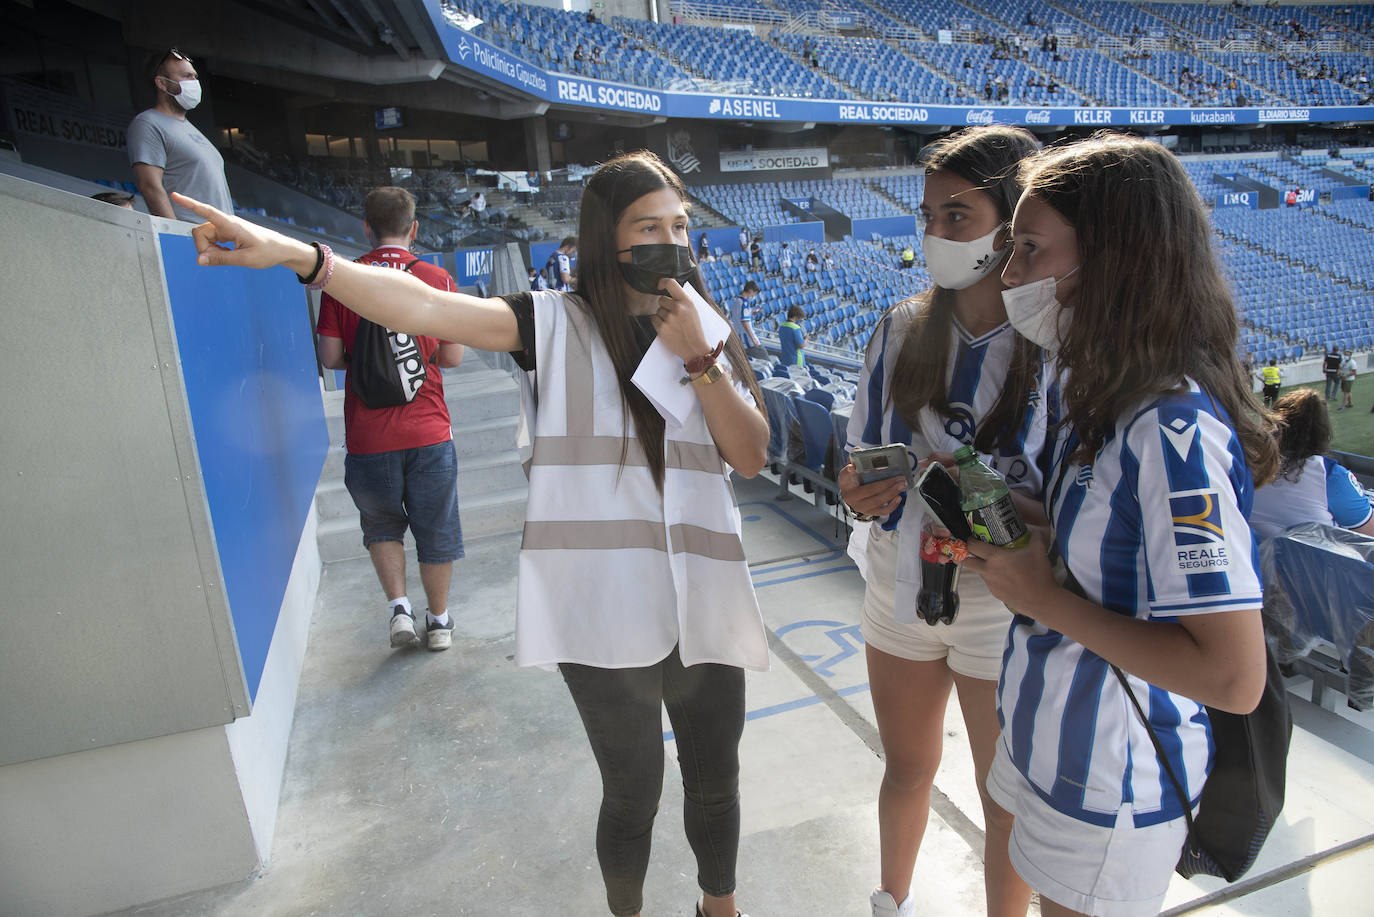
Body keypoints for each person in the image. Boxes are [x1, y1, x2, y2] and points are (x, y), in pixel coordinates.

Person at [171, 149, 769, 917]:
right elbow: (421, 307)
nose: (671, 240)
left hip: (704, 599)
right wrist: (303, 258)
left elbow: (750, 455)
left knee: (717, 779)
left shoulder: (704, 328)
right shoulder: (550, 324)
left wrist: (701, 359)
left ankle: (721, 907)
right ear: (606, 237)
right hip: (602, 609)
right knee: (634, 792)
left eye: (679, 225)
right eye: (648, 226)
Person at [964, 133, 1276, 917]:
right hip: (1042, 735)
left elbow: (1234, 677)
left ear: (1112, 259)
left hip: (1110, 779)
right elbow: (1106, 548)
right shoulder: (1098, 389)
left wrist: (1041, 596)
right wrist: (1003, 518)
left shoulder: (1172, 431)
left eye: (1030, 249)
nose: (1010, 275)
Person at [840, 125, 1042, 917]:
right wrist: (859, 491)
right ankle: (890, 900)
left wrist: (979, 494)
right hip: (900, 584)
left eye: (957, 215)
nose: (936, 234)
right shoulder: (899, 326)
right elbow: (859, 460)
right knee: (905, 768)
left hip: (1002, 601)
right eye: (928, 216)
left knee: (1004, 800)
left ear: (1010, 222)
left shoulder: (1051, 344)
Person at [314, 187, 466, 650]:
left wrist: (368, 362)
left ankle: (400, 610)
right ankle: (439, 622)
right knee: (436, 526)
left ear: (366, 227)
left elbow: (330, 357)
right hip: (429, 431)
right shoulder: (436, 278)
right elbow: (453, 356)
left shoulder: (342, 279)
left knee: (381, 526)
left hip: (367, 436)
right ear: (413, 228)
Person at [1249, 388, 1374, 539]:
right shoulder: (1330, 476)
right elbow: (1369, 532)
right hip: (1312, 555)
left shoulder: (1245, 463)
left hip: (1251, 552)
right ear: (1322, 431)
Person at [128, 48, 232, 222]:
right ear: (162, 83)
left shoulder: (191, 129)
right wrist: (174, 233)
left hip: (220, 233)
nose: (194, 82)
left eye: (195, 76)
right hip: (191, 234)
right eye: (186, 76)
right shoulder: (148, 123)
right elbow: (150, 186)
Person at [727, 280, 768, 360]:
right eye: (754, 293)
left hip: (740, 339)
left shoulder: (736, 301)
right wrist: (753, 339)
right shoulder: (745, 303)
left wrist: (751, 313)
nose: (754, 296)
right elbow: (744, 322)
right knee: (765, 360)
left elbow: (738, 316)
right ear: (750, 291)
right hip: (748, 341)